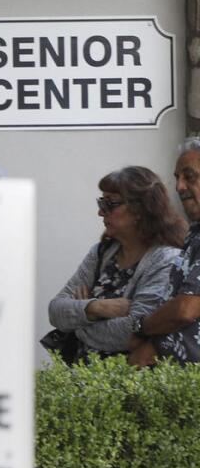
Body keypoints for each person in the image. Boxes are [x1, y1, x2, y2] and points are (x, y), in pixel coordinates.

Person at [47, 166, 184, 358]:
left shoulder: (165, 260)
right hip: (78, 379)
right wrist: (97, 307)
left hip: (125, 383)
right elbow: (55, 310)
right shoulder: (100, 253)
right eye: (100, 203)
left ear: (140, 209)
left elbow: (132, 331)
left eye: (109, 204)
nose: (101, 213)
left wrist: (78, 322)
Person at [131, 140, 200, 366]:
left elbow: (184, 310)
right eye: (177, 177)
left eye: (189, 176)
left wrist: (141, 328)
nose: (179, 187)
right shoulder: (195, 233)